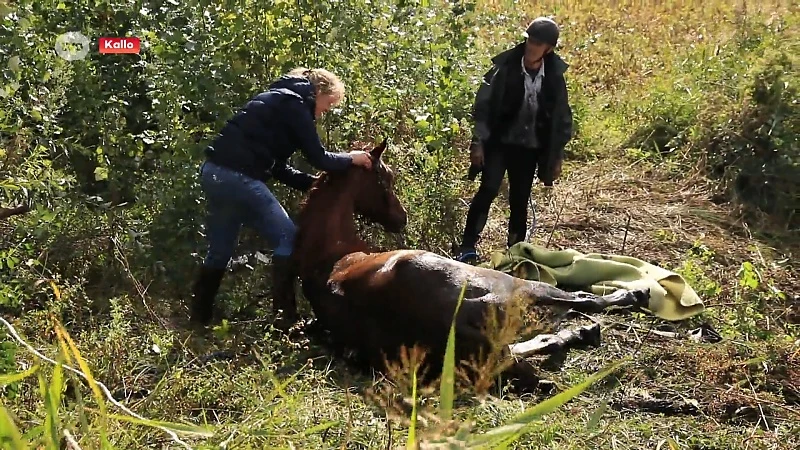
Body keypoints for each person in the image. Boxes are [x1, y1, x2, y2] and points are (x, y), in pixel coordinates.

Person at [189, 67, 373, 329]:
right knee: (288, 236)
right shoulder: (296, 104)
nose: (324, 112)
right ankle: (284, 321)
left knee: (220, 249)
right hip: (238, 177)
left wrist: (313, 184)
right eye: (328, 104)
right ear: (319, 92)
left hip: (214, 173)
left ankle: (198, 319)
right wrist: (352, 158)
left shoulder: (278, 98)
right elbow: (319, 157)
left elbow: (276, 166)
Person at [454, 17, 574, 263]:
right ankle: (467, 247)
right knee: (487, 190)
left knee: (519, 199)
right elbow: (482, 108)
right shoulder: (505, 68)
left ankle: (516, 253)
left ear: (548, 49)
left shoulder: (553, 76)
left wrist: (556, 155)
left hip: (529, 148)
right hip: (499, 143)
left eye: (538, 43)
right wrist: (478, 142)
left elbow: (562, 117)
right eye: (530, 40)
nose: (531, 46)